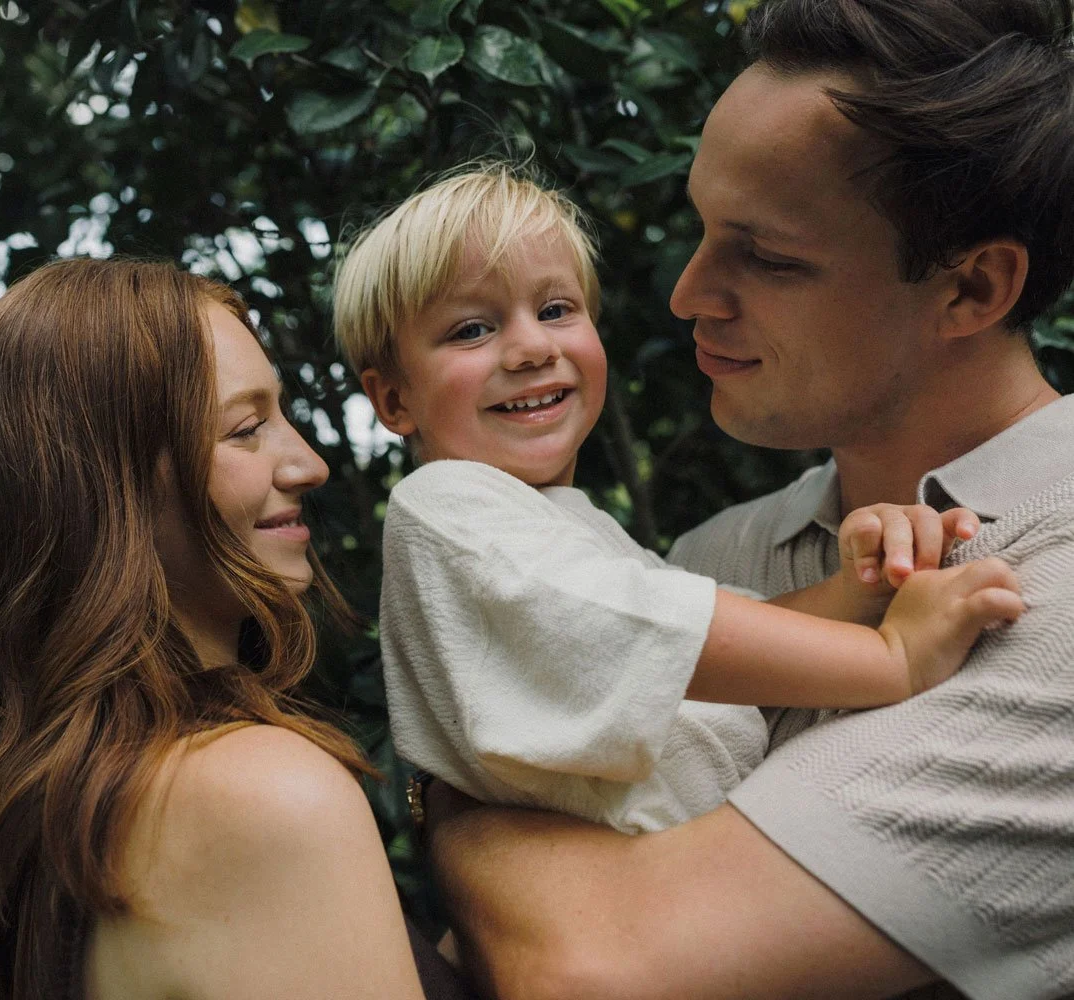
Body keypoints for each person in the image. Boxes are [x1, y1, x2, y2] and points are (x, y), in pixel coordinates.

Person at [422, 2, 1074, 998]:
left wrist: (455, 802)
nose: (688, 292)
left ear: (973, 289)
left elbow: (593, 968)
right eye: (699, 227)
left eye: (767, 257)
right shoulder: (718, 558)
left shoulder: (1058, 578)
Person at [331, 165, 1021, 835]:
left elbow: (714, 638)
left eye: (554, 309)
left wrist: (863, 588)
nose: (530, 347)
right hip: (634, 896)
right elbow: (640, 632)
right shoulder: (444, 505)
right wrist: (890, 658)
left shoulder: (565, 523)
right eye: (471, 330)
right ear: (394, 400)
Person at [0, 258, 472, 1000]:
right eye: (246, 428)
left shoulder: (68, 824)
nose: (309, 463)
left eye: (283, 416)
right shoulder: (259, 796)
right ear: (105, 490)